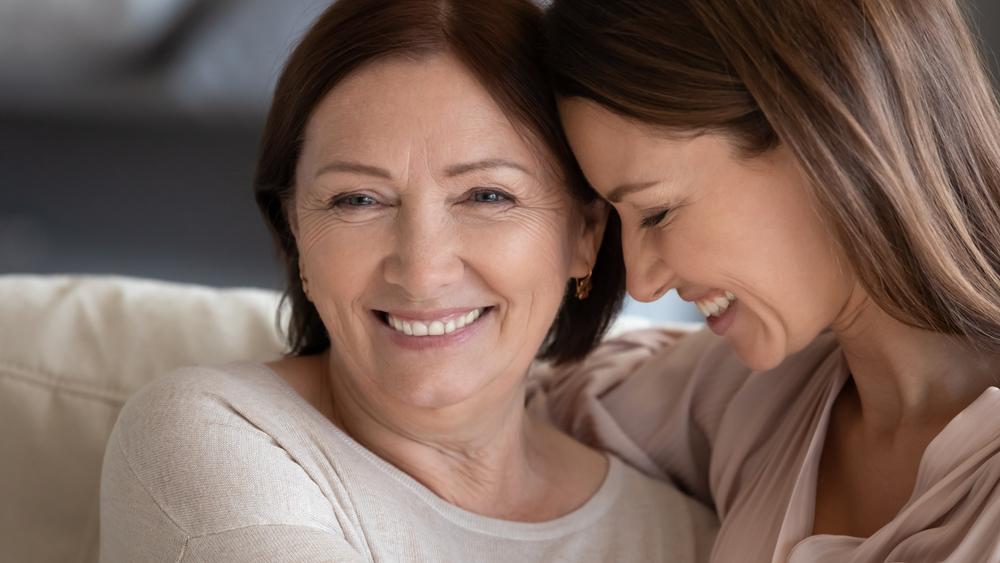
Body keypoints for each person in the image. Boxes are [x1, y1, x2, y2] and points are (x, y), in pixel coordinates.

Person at [98, 0, 718, 561]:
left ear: (585, 236)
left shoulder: (684, 533)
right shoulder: (215, 439)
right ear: (294, 233)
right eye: (358, 200)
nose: (421, 272)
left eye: (486, 194)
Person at [539, 0, 1000, 561]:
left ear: (821, 134)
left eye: (657, 212)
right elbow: (513, 399)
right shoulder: (760, 397)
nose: (640, 284)